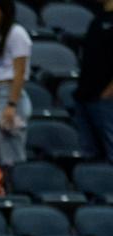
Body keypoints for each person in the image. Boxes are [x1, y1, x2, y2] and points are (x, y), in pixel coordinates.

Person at [0, 0, 32, 168]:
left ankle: (13, 193)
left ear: (3, 10)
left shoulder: (17, 33)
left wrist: (12, 104)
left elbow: (20, 72)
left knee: (11, 156)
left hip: (9, 96)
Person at [73, 0, 113, 164]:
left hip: (105, 98)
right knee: (89, 154)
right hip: (85, 95)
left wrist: (109, 92)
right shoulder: (97, 19)